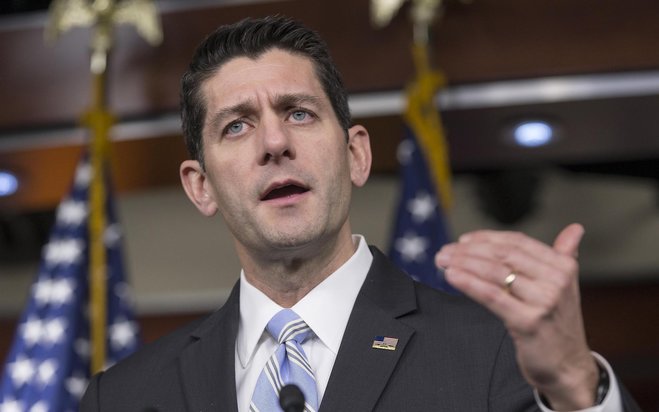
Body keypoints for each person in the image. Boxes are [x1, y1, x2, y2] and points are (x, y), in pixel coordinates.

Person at [81, 16, 641, 412]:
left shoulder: (495, 352)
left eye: (298, 113)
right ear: (200, 187)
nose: (274, 142)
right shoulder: (125, 398)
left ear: (356, 155)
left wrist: (574, 387)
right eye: (237, 125)